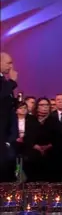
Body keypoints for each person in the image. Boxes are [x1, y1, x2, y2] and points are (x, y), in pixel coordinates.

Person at [0, 52, 18, 182]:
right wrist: (12, 82)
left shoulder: (4, 81)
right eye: (8, 63)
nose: (11, 67)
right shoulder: (7, 83)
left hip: (5, 132)